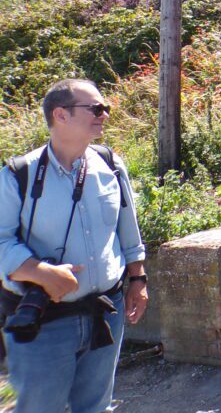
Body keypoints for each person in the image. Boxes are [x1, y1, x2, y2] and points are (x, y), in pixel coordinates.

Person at [0, 78, 148, 413]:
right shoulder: (17, 176)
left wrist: (138, 279)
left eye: (105, 108)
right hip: (43, 322)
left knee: (96, 408)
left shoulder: (110, 164)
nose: (104, 114)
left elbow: (127, 228)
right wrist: (39, 272)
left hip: (105, 313)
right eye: (95, 108)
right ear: (60, 116)